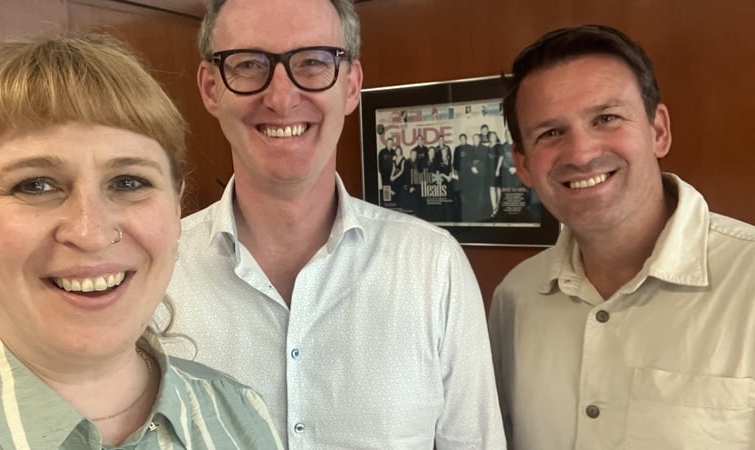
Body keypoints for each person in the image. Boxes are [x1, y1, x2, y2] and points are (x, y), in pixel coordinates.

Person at [161, 0, 506, 448]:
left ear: (350, 86)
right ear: (211, 88)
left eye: (313, 62)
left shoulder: (431, 265)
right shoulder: (157, 269)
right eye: (248, 64)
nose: (282, 98)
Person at [0, 34, 282, 449]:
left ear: (176, 208)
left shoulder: (238, 416)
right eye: (35, 185)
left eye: (129, 182)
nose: (91, 233)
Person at [489, 24, 755, 450]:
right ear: (522, 164)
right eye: (551, 133)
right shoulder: (516, 299)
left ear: (659, 131)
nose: (581, 153)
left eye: (606, 118)